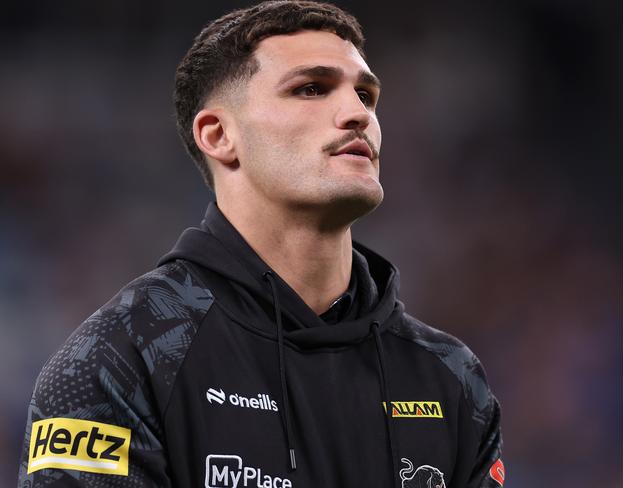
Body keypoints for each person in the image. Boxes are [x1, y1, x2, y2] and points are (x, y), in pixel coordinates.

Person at [17, 1, 504, 487]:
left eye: (366, 95)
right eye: (311, 88)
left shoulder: (451, 377)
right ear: (219, 134)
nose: (358, 114)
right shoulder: (120, 357)